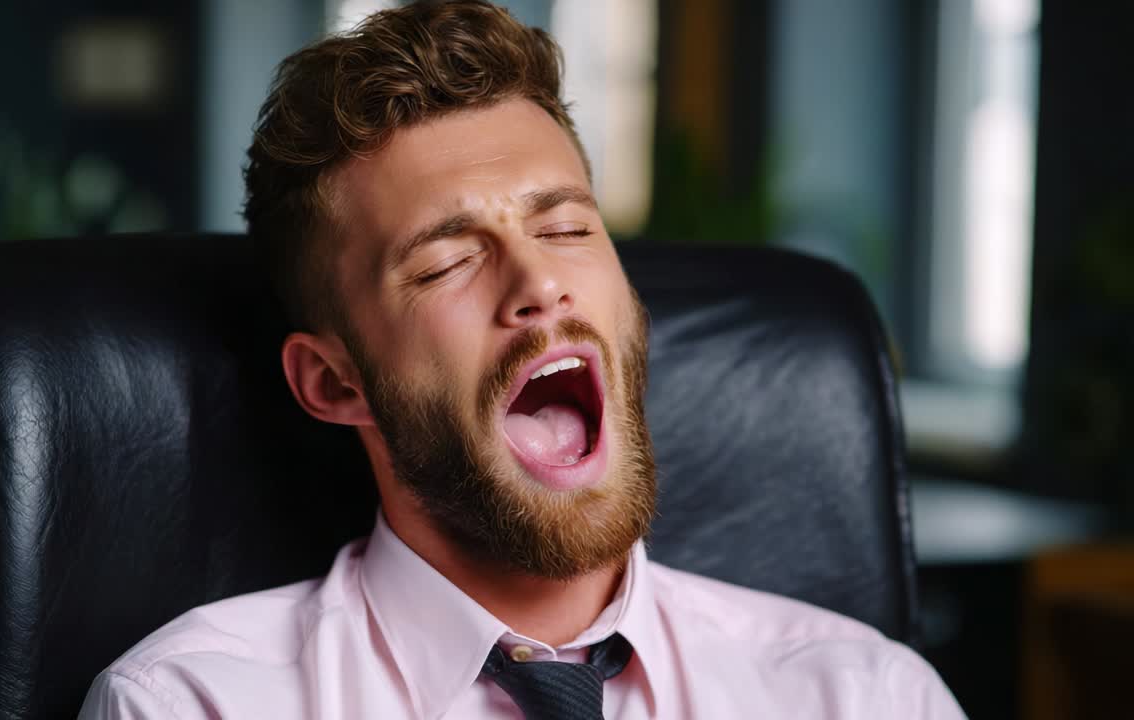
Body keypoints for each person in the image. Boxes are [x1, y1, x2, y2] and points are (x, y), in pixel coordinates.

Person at [80, 2, 965, 718]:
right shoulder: (193, 704)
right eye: (446, 261)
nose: (541, 281)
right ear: (334, 381)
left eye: (568, 227)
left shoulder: (866, 695)